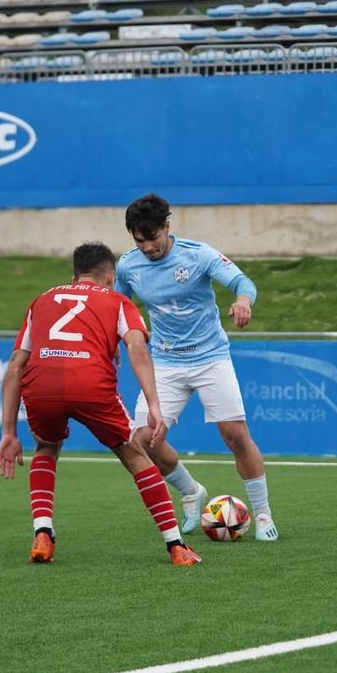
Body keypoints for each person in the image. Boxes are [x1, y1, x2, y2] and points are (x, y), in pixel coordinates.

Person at [0, 241, 202, 567]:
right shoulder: (119, 301)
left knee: (47, 447)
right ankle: (176, 546)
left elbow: (15, 367)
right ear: (110, 275)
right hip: (90, 382)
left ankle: (43, 533)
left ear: (74, 274)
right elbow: (136, 348)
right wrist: (153, 404)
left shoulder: (42, 300)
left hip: (42, 383)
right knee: (135, 454)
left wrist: (8, 432)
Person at [114, 193, 279, 541]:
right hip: (165, 362)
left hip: (210, 358)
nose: (147, 247)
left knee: (235, 436)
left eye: (153, 238)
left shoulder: (198, 254)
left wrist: (243, 301)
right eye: (139, 241)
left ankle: (263, 515)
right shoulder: (128, 266)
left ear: (167, 227)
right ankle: (190, 491)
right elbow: (114, 306)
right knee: (144, 440)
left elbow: (242, 282)